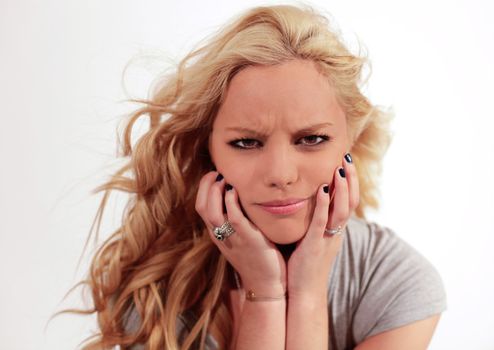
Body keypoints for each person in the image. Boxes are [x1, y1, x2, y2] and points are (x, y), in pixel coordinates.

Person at [72, 4, 447, 349]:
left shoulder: (398, 283)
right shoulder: (159, 284)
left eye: (312, 138)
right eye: (247, 142)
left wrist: (308, 293)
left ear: (351, 139)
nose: (280, 175)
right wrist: (264, 294)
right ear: (209, 149)